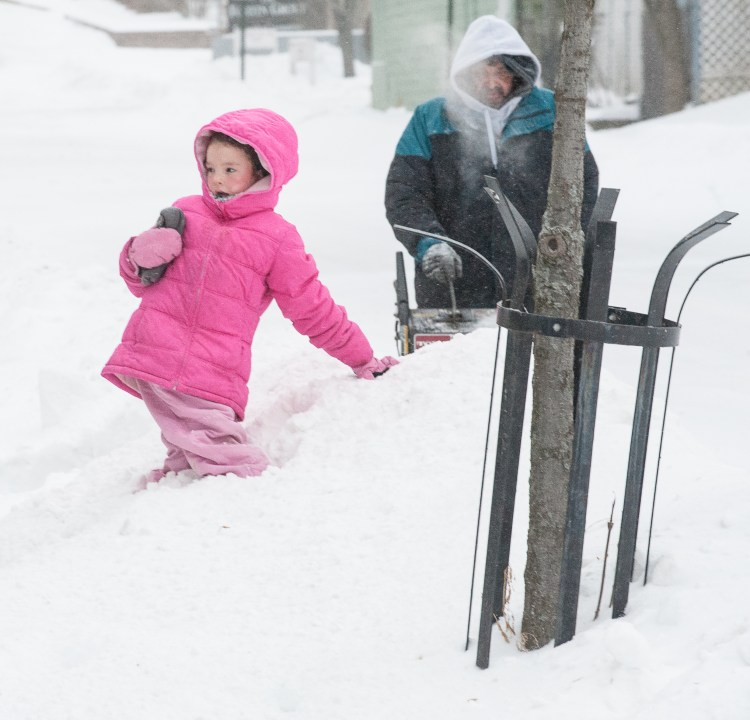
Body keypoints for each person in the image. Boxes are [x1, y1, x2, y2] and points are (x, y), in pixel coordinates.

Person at [103, 108, 397, 485]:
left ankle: (208, 495)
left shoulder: (278, 238)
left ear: (263, 172)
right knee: (211, 449)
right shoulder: (185, 212)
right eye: (211, 169)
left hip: (211, 369)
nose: (217, 180)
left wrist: (361, 357)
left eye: (230, 169)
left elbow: (311, 307)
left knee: (205, 450)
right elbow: (139, 279)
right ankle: (225, 498)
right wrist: (139, 253)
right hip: (157, 350)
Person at [385, 15, 599, 309]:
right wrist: (431, 245)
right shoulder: (431, 118)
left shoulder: (551, 112)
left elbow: (583, 184)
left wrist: (563, 248)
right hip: (453, 286)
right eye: (479, 72)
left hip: (538, 280)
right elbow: (404, 194)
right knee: (452, 357)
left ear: (517, 71)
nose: (489, 82)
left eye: (500, 70)